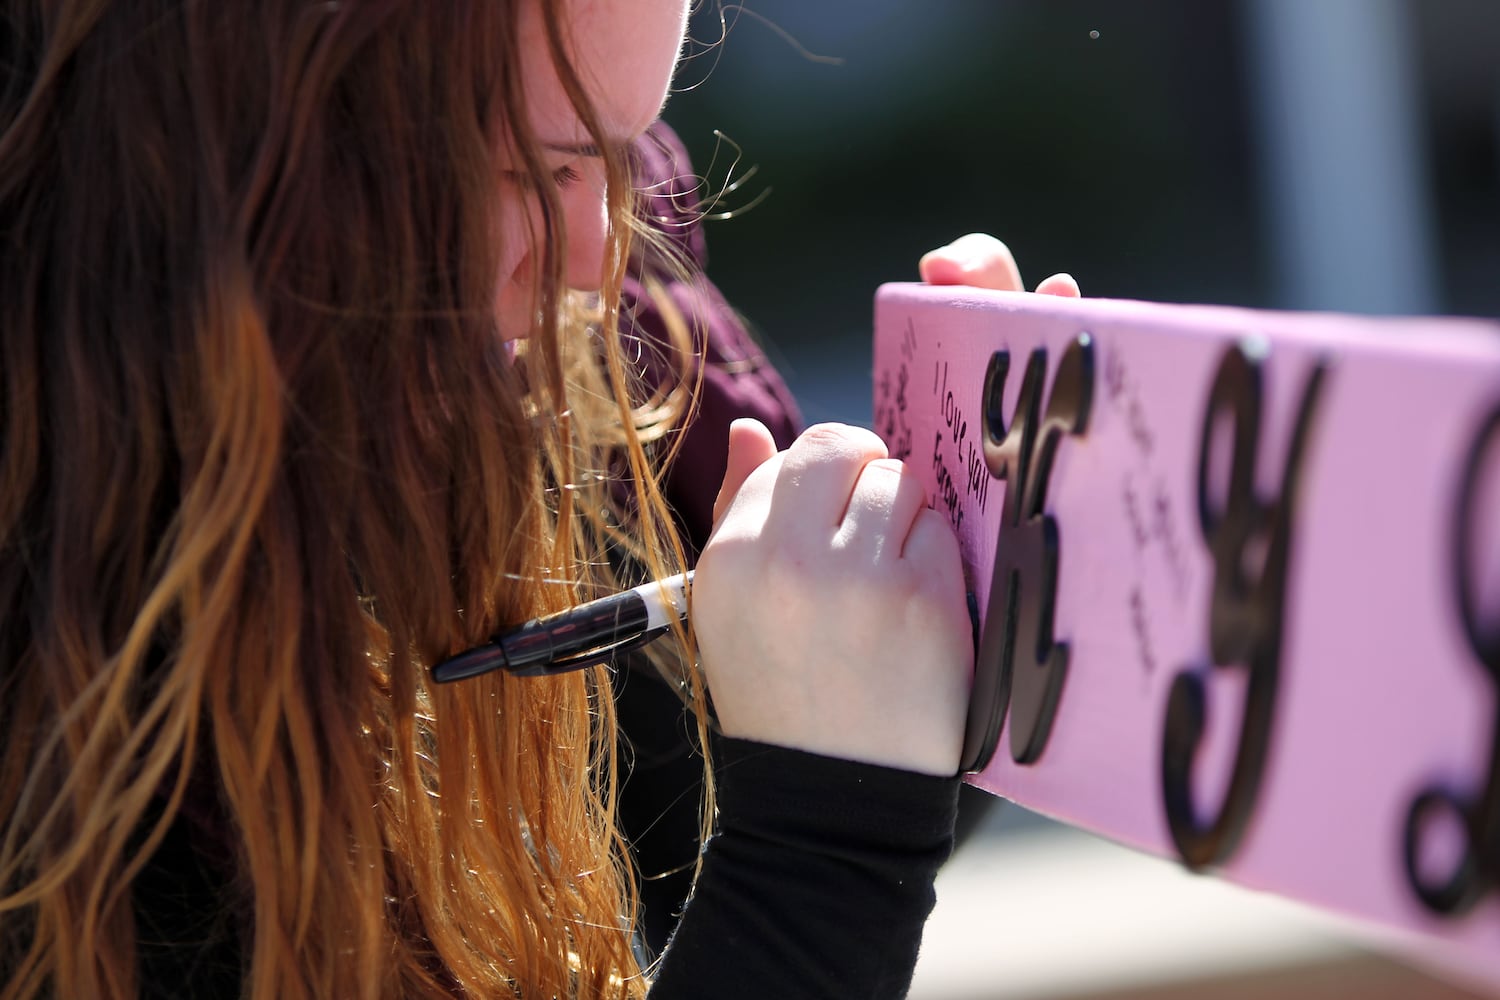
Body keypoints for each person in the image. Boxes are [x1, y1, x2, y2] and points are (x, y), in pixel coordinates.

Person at [0, 2, 1076, 997]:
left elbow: (680, 843)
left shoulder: (595, 375)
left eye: (629, 153)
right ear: (247, 133)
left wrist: (967, 590)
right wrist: (824, 847)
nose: (598, 259)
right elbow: (801, 870)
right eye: (531, 170)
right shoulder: (59, 663)